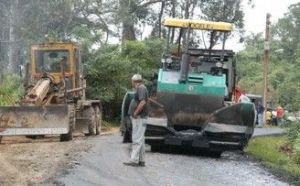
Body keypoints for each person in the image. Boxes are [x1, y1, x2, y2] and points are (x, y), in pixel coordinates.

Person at [123, 74, 149, 167]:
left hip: (140, 117)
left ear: (135, 81)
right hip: (140, 117)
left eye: (132, 81)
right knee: (141, 139)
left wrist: (136, 112)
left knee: (137, 138)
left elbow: (143, 102)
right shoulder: (141, 88)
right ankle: (142, 160)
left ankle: (133, 160)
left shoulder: (141, 88)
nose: (131, 83)